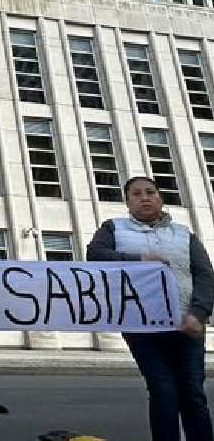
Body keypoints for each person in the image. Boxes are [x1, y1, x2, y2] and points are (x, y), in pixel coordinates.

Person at [87, 176, 214, 441]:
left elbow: (204, 274)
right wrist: (139, 260)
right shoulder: (113, 228)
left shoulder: (183, 234)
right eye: (136, 194)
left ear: (160, 198)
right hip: (141, 325)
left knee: (192, 393)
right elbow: (95, 255)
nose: (144, 197)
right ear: (127, 202)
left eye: (150, 192)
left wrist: (198, 314)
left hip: (186, 324)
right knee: (164, 390)